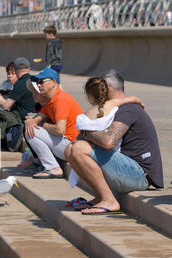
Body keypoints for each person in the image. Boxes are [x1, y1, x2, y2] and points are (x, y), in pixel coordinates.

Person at [65, 70, 163, 215]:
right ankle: (100, 197)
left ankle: (109, 200)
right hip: (127, 170)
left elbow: (108, 142)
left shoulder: (128, 110)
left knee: (79, 148)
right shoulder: (117, 108)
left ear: (108, 88)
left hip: (141, 175)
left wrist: (86, 132)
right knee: (69, 149)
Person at [24, 68, 83, 179]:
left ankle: (53, 167)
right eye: (37, 82)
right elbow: (36, 119)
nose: (38, 85)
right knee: (31, 128)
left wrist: (43, 125)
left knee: (33, 132)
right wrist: (30, 121)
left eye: (41, 82)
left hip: (72, 146)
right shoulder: (51, 101)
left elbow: (60, 130)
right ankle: (48, 165)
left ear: (54, 83)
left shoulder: (61, 99)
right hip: (66, 144)